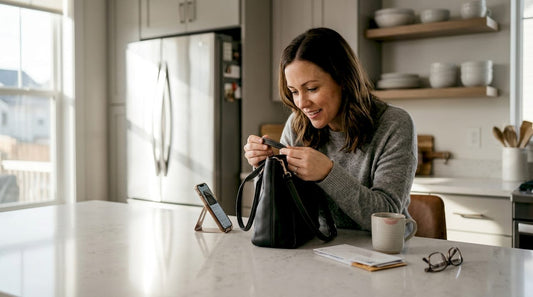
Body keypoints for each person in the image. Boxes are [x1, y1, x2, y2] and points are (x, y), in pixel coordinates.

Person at [243, 27, 417, 231]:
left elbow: (388, 218)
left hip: (382, 253)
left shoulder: (394, 124)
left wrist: (328, 173)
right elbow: (279, 210)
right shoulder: (297, 124)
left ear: (343, 79)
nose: (301, 103)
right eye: (294, 92)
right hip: (318, 249)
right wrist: (265, 168)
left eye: (312, 89)